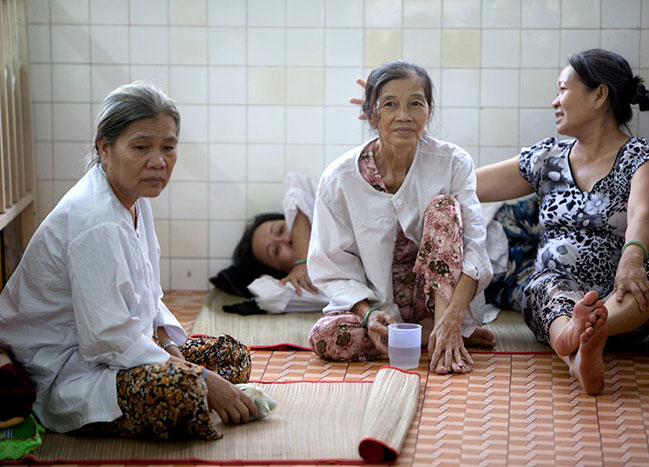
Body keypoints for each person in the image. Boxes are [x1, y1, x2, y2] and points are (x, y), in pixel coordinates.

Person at [0, 82, 257, 440]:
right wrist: (197, 378)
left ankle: (189, 379)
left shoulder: (134, 197)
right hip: (62, 374)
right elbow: (107, 339)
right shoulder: (94, 222)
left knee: (231, 356)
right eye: (141, 147)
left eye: (168, 147)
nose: (159, 161)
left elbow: (149, 293)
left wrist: (173, 352)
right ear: (104, 148)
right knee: (183, 392)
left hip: (112, 351)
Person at [476, 49, 649, 395]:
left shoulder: (643, 157)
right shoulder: (547, 157)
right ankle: (578, 345)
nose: (555, 101)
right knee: (540, 285)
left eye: (563, 90)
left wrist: (631, 260)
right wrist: (400, 138)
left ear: (599, 95)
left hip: (623, 305)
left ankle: (587, 332)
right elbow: (467, 183)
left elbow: (644, 214)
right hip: (556, 299)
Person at [307, 61, 495, 376]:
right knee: (327, 338)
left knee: (444, 208)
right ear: (371, 114)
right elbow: (331, 265)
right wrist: (368, 316)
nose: (404, 115)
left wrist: (451, 317)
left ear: (430, 111)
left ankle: (445, 329)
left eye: (415, 103)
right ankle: (431, 335)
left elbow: (475, 248)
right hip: (382, 307)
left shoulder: (453, 162)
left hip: (439, 305)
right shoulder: (339, 177)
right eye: (390, 104)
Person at [231, 172, 319, 297]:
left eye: (281, 229)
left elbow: (295, 182)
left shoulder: (318, 211)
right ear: (284, 270)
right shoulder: (310, 285)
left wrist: (301, 260)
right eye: (277, 250)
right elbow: (269, 296)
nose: (287, 239)